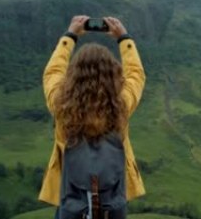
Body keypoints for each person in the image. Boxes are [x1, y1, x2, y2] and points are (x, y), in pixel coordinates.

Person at [38, 15, 146, 217]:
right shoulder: (121, 105)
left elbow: (52, 73)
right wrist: (124, 38)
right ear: (113, 74)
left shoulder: (61, 105)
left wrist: (70, 35)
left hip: (70, 200)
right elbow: (136, 74)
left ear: (74, 74)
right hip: (112, 201)